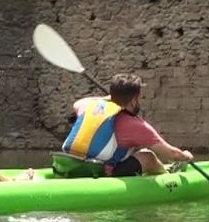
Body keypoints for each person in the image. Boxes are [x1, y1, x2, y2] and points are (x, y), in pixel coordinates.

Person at [62, 73, 194, 177]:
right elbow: (171, 154)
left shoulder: (86, 106)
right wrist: (185, 156)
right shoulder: (136, 126)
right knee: (147, 156)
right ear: (133, 100)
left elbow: (78, 103)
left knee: (130, 150)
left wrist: (110, 98)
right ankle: (166, 176)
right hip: (104, 174)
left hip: (73, 166)